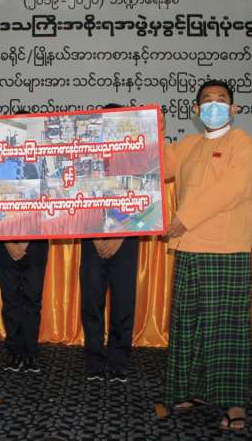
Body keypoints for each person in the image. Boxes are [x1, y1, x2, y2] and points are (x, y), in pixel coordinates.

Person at [161, 79, 252, 433]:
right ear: (195, 109)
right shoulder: (189, 145)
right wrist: (149, 131)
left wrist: (184, 218)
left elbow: (232, 190)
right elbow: (156, 166)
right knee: (189, 325)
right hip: (188, 247)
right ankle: (195, 391)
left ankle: (235, 404)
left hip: (225, 248)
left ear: (233, 109)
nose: (214, 105)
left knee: (226, 329)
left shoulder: (242, 142)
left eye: (221, 100)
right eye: (207, 100)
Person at [79, 103, 140, 384]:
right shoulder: (86, 157)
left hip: (125, 240)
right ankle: (94, 360)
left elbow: (144, 200)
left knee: (123, 302)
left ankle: (118, 361)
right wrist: (96, 235)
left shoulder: (137, 158)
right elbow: (77, 198)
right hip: (92, 237)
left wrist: (118, 236)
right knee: (91, 302)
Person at [0, 110, 49, 373]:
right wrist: (8, 241)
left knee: (32, 299)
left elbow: (50, 202)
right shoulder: (0, 163)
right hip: (4, 241)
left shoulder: (43, 164)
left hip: (35, 242)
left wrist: (26, 240)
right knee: (11, 299)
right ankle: (14, 352)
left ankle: (31, 352)